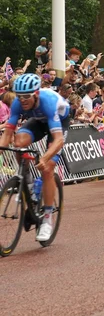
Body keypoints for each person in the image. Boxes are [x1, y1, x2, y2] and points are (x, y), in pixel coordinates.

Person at [0, 74, 70, 242]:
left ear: (36, 94)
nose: (22, 100)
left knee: (47, 169)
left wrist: (45, 159)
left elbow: (58, 139)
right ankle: (29, 183)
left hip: (59, 122)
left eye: (26, 97)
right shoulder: (18, 103)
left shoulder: (48, 102)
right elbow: (8, 133)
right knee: (19, 142)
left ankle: (47, 218)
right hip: (38, 121)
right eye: (19, 96)